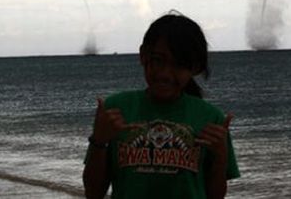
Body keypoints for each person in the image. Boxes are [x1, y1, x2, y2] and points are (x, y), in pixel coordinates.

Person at [83, 11, 240, 199]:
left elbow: (215, 196)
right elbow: (93, 193)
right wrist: (99, 141)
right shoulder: (116, 109)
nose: (165, 73)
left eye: (179, 65)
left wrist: (221, 159)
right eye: (158, 60)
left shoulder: (211, 119)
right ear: (142, 55)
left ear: (195, 67)